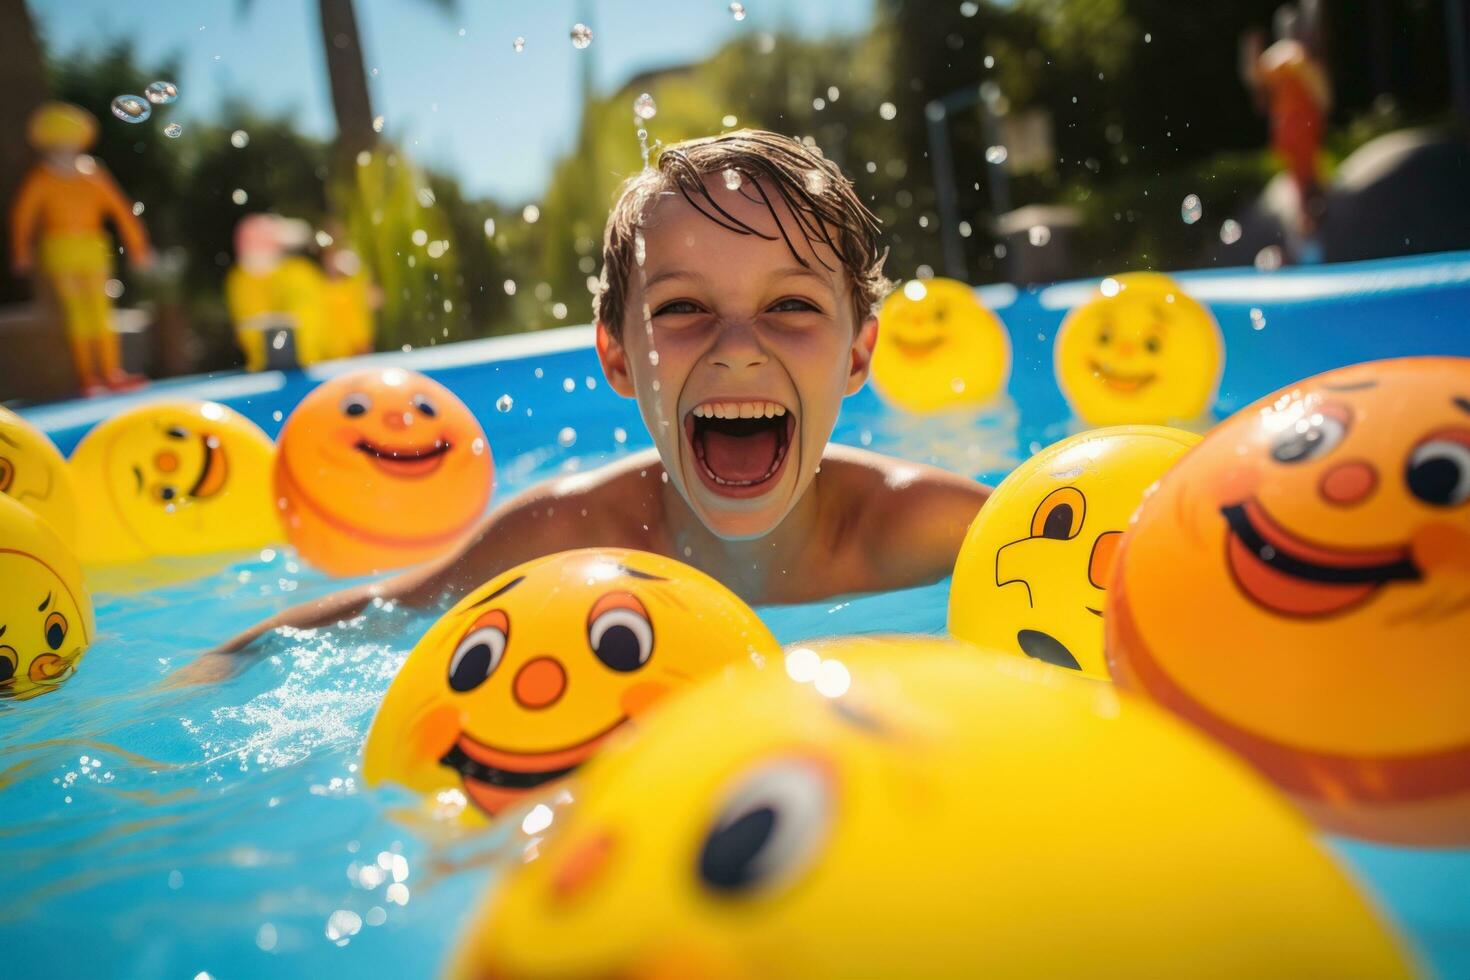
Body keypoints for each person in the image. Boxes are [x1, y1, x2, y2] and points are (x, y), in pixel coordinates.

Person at [198, 130, 990, 664]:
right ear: (616, 355)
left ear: (857, 355)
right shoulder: (564, 537)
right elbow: (366, 619)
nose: (739, 349)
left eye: (791, 306)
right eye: (682, 308)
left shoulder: (933, 531)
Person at [9, 102, 153, 395]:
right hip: (61, 251)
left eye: (68, 141)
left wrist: (138, 247)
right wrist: (20, 251)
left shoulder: (92, 174)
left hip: (92, 249)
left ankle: (112, 373)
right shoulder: (42, 178)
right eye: (57, 142)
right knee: (78, 314)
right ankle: (89, 378)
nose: (63, 148)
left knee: (100, 311)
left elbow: (122, 211)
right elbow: (22, 217)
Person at [1241, 7, 1331, 243]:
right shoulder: (1294, 54)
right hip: (1300, 128)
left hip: (1290, 129)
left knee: (1302, 183)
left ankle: (1307, 231)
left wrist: (1249, 50)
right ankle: (1310, 232)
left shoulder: (1278, 57)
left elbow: (1253, 76)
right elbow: (1321, 93)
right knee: (1308, 183)